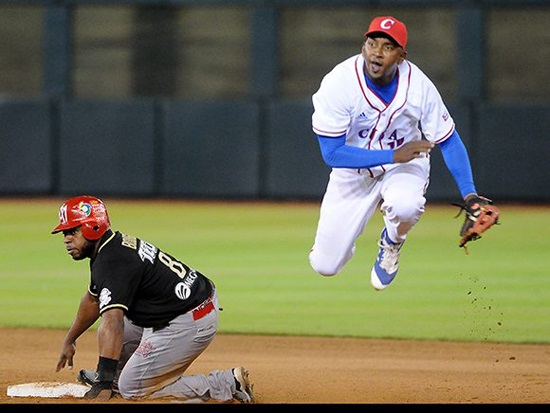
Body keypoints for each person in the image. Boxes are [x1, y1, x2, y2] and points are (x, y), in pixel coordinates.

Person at [309, 15, 484, 290]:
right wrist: (392, 155)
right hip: (354, 170)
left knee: (406, 206)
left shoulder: (419, 87)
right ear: (362, 47)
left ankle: (392, 241)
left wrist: (470, 193)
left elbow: (449, 140)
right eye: (372, 43)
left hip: (406, 165)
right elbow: (332, 154)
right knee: (325, 265)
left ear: (402, 56)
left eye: (388, 47)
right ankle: (340, 242)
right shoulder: (339, 84)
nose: (377, 52)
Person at [51, 195, 255, 403]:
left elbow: (113, 323)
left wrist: (101, 382)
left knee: (132, 388)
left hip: (190, 319)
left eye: (72, 231)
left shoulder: (112, 261)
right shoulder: (110, 247)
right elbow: (93, 300)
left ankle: (227, 383)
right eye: (64, 233)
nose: (66, 238)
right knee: (123, 319)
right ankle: (114, 378)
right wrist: (70, 339)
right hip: (182, 307)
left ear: (92, 227)